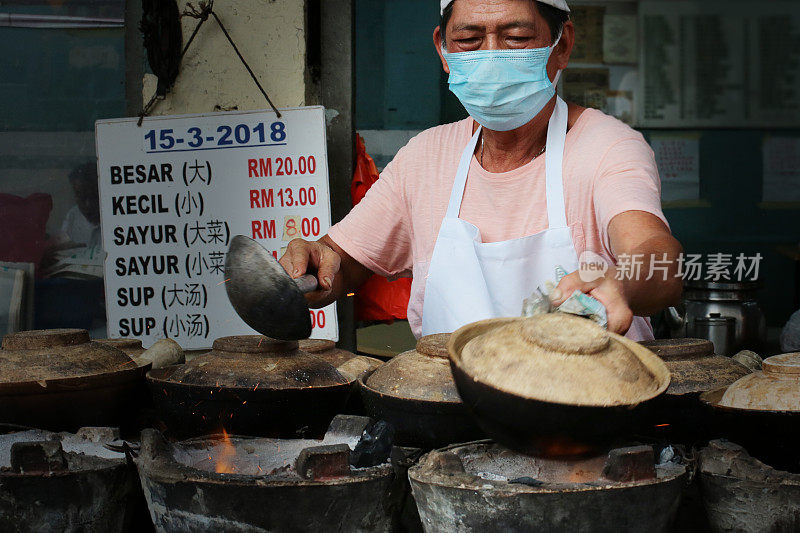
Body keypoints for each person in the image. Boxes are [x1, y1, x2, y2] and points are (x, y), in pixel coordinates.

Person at [280, 0, 683, 340]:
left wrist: (621, 284)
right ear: (443, 50)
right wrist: (319, 259)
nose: (491, 57)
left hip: (582, 409)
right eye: (469, 40)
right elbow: (345, 259)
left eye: (517, 38)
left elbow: (656, 257)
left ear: (562, 45)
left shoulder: (606, 146)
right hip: (447, 408)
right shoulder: (426, 156)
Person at [61, 162, 101, 249]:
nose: (87, 204)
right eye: (80, 196)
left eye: (94, 196)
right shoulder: (73, 215)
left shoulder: (116, 219)